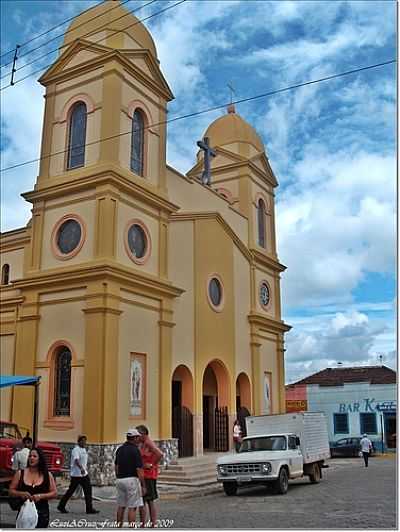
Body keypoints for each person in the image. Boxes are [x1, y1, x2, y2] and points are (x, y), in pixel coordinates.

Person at [9, 447, 57, 528]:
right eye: (30, 456)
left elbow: (54, 493)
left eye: (34, 456)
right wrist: (21, 493)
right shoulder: (20, 473)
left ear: (40, 459)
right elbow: (11, 491)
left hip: (42, 513)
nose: (31, 458)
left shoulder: (47, 475)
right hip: (24, 512)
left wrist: (41, 496)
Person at [57, 435, 99, 514]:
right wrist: (81, 468)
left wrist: (84, 469)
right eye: (82, 441)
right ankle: (61, 506)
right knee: (71, 491)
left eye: (85, 441)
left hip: (83, 475)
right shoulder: (76, 450)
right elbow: (76, 460)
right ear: (79, 441)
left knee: (88, 490)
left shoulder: (83, 450)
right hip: (76, 475)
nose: (84, 442)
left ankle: (89, 509)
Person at [115, 428, 146, 527]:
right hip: (131, 480)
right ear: (135, 438)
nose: (139, 440)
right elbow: (139, 469)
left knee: (121, 506)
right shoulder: (135, 450)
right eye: (138, 437)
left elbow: (116, 466)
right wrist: (143, 485)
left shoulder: (119, 449)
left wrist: (118, 477)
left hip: (120, 480)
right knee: (132, 507)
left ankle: (118, 527)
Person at [136, 425, 163, 527]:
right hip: (143, 475)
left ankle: (153, 523)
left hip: (149, 475)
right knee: (142, 500)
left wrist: (152, 464)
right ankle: (143, 523)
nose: (137, 437)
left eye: (138, 434)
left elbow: (159, 454)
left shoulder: (148, 443)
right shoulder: (142, 444)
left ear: (143, 434)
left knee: (149, 500)